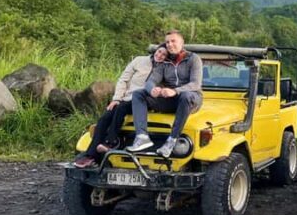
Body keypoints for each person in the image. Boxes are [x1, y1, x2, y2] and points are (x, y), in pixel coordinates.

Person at [74, 45, 168, 168]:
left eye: (164, 55)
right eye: (159, 51)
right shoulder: (139, 61)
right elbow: (123, 79)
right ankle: (90, 156)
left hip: (145, 101)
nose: (160, 55)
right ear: (156, 50)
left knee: (121, 108)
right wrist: (116, 99)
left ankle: (111, 142)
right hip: (126, 98)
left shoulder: (166, 68)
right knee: (104, 118)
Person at [127, 30, 204, 158]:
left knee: (185, 96)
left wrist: (175, 91)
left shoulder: (193, 59)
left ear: (182, 42)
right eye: (167, 42)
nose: (169, 44)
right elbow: (150, 81)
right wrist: (152, 89)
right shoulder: (164, 62)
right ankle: (142, 137)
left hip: (191, 99)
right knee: (139, 94)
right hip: (169, 100)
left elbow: (196, 84)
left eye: (173, 41)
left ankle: (172, 140)